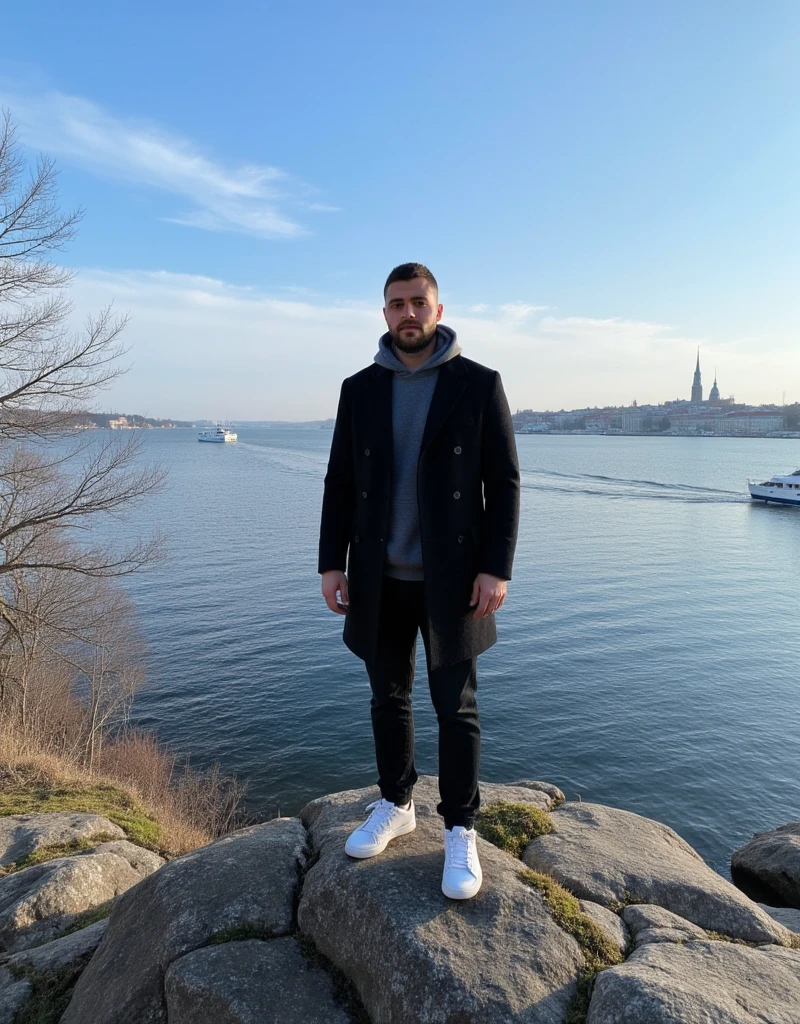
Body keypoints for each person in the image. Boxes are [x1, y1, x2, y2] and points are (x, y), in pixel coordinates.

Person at [318, 263, 520, 899]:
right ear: (384, 314)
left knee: (456, 708)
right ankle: (396, 803)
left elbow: (505, 483)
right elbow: (340, 483)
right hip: (379, 575)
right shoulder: (360, 389)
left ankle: (460, 826)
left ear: (438, 309)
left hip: (455, 579)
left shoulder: (478, 384)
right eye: (396, 304)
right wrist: (332, 562)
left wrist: (497, 566)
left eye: (418, 303)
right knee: (388, 697)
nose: (408, 313)